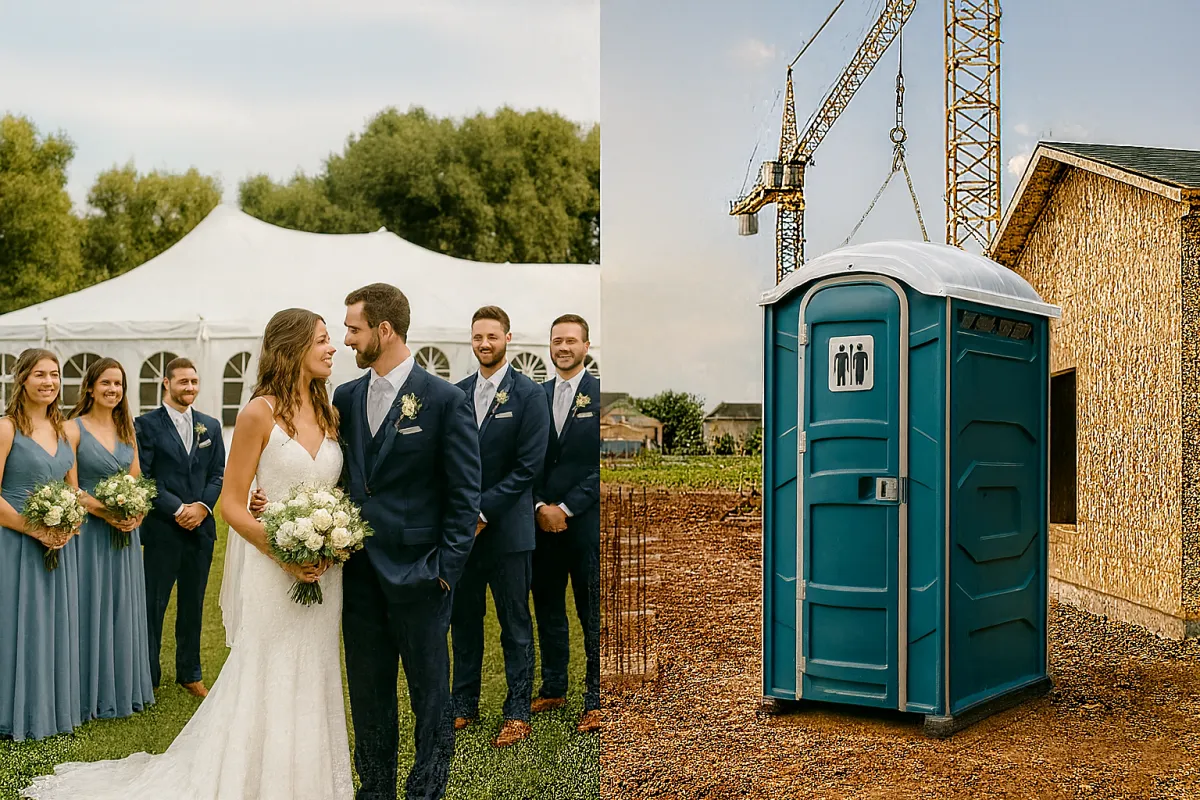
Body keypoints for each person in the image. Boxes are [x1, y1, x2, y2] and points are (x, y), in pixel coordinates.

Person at [22, 308, 353, 799]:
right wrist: (283, 553)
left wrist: (332, 540)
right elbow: (234, 506)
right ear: (293, 346)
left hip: (324, 572)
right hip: (274, 567)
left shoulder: (330, 414)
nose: (333, 349)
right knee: (268, 670)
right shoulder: (258, 412)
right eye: (324, 340)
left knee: (317, 669)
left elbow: (333, 491)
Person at [333, 283, 481, 800]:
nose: (346, 339)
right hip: (358, 578)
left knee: (431, 699)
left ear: (384, 329)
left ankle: (426, 792)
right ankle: (375, 790)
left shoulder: (445, 400)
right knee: (370, 699)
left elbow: (465, 495)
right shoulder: (345, 396)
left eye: (354, 328)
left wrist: (445, 569)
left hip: (422, 574)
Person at [450, 305, 550, 748]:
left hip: (507, 531)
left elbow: (528, 467)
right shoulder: (456, 393)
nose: (484, 344)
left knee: (515, 622)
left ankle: (516, 711)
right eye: (477, 337)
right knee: (464, 621)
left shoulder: (529, 396)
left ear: (508, 338)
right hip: (462, 534)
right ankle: (463, 705)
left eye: (492, 336)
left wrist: (483, 512)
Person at [0, 349, 84, 741]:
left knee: (49, 624)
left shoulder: (64, 429)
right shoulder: (6, 429)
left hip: (58, 545)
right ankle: (11, 711)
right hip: (15, 543)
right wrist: (33, 529)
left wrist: (69, 526)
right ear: (22, 380)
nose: (49, 382)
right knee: (16, 623)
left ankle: (47, 707)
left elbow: (74, 492)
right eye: (40, 375)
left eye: (55, 375)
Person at [67, 358, 155, 722]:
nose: (113, 390)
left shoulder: (127, 430)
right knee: (90, 605)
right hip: (88, 533)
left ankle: (121, 689)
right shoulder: (72, 429)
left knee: (121, 606)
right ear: (90, 387)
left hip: (124, 536)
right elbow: (69, 489)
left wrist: (136, 511)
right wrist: (106, 511)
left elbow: (136, 481)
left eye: (118, 384)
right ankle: (86, 693)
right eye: (105, 383)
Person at [133, 358, 225, 698]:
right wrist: (177, 509)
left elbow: (218, 473)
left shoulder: (210, 426)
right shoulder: (145, 425)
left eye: (194, 382)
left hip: (200, 531)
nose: (189, 388)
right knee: (153, 604)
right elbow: (145, 476)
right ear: (166, 384)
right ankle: (149, 676)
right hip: (162, 531)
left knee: (193, 604)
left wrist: (202, 508)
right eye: (183, 382)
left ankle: (190, 672)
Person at [530, 314, 601, 733]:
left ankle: (595, 698)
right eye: (557, 340)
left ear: (586, 346)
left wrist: (567, 507)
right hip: (540, 523)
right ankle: (554, 686)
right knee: (548, 607)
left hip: (585, 523)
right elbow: (527, 457)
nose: (563, 347)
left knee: (590, 610)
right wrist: (540, 505)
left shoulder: (600, 394)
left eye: (571, 341)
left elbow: (601, 465)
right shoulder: (535, 396)